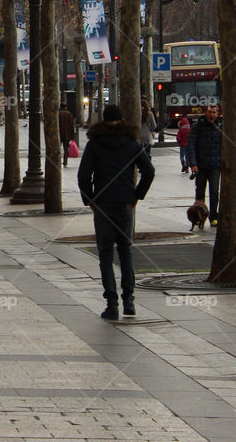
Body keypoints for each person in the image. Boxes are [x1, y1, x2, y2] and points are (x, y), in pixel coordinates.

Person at [77, 104, 155, 319]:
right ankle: (129, 300)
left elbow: (84, 176)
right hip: (124, 202)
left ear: (103, 119)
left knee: (105, 253)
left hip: (102, 202)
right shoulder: (132, 143)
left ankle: (111, 304)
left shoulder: (94, 144)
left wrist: (90, 199)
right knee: (125, 250)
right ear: (121, 119)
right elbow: (149, 171)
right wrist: (136, 196)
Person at [187, 105, 223, 227]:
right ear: (205, 113)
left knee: (214, 191)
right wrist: (193, 163)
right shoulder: (197, 127)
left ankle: (213, 216)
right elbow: (191, 145)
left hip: (215, 165)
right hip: (201, 165)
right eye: (209, 112)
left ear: (217, 114)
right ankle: (199, 215)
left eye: (214, 112)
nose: (212, 115)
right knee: (200, 191)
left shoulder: (220, 127)